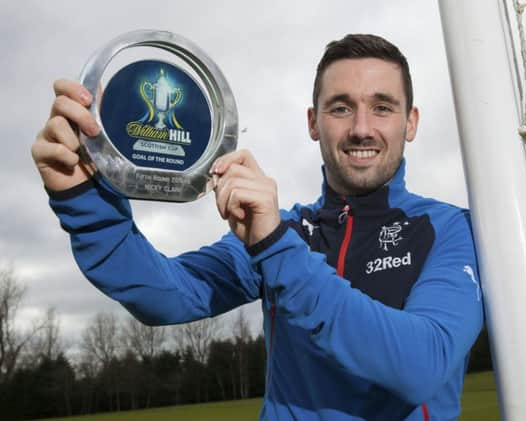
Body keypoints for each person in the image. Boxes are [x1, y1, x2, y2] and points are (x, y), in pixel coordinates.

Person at [32, 34, 483, 421]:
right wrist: (85, 201)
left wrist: (276, 248)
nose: (361, 129)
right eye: (341, 108)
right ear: (313, 122)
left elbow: (423, 363)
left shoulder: (452, 228)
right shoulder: (282, 229)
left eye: (382, 107)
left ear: (411, 122)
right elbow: (165, 296)